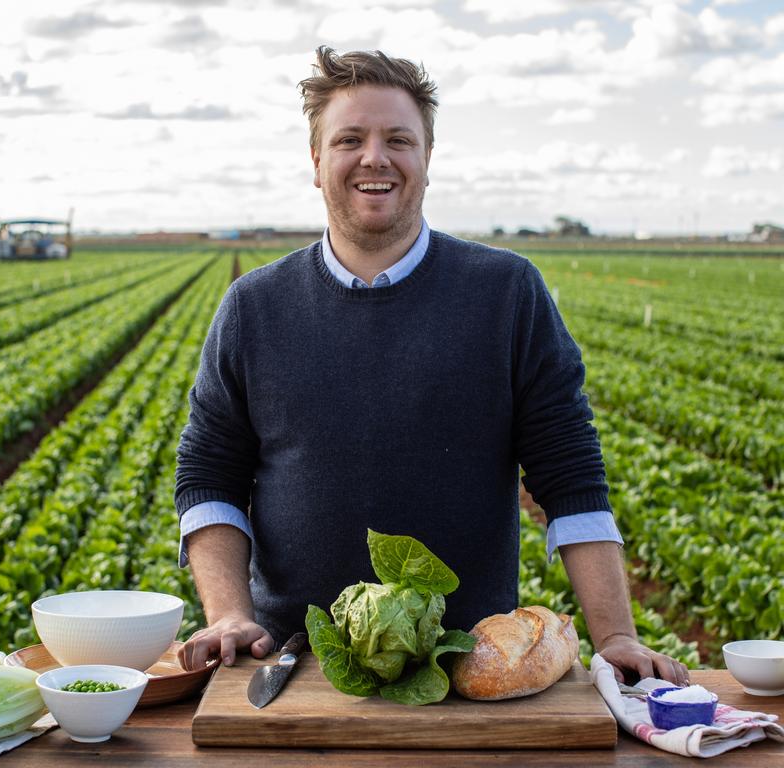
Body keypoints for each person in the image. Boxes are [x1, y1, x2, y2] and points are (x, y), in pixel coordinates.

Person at [174, 46, 689, 687]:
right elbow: (209, 474)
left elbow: (570, 472)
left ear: (426, 160)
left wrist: (615, 635)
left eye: (399, 139)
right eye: (349, 139)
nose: (375, 157)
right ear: (316, 162)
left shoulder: (506, 292)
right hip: (289, 665)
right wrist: (227, 614)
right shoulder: (254, 307)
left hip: (474, 664)